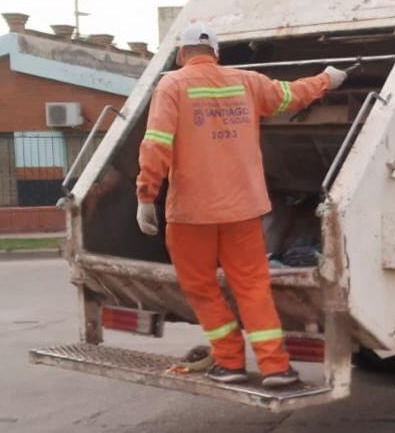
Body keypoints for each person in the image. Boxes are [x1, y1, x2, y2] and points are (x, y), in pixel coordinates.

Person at [135, 22, 348, 386]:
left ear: (182, 53)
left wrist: (145, 195)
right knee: (252, 286)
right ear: (216, 53)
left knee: (201, 286)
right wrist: (327, 79)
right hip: (243, 209)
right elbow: (291, 96)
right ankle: (276, 367)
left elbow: (156, 143)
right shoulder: (246, 82)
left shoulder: (172, 84)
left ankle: (230, 362)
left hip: (192, 213)